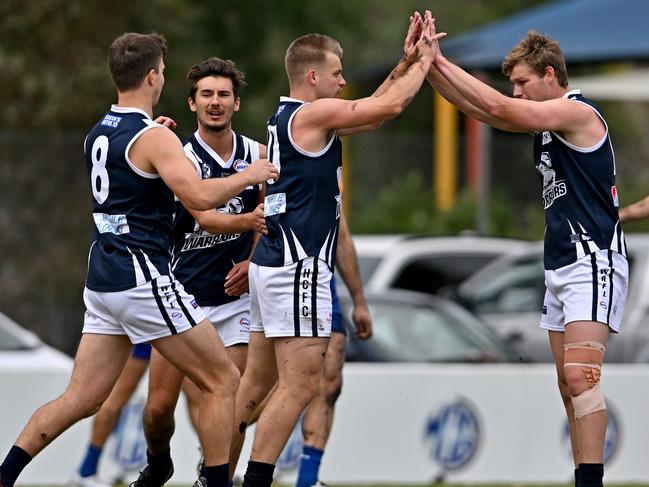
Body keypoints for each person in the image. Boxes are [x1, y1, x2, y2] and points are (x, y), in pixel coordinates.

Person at [0, 32, 277, 487]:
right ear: (153, 76)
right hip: (141, 278)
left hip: (103, 280)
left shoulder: (100, 132)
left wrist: (159, 144)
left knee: (82, 398)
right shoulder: (152, 138)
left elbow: (137, 182)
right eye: (164, 72)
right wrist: (249, 175)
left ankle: (6, 475)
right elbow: (199, 195)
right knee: (224, 381)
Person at [233, 14, 439, 487]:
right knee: (302, 384)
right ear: (312, 77)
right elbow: (387, 109)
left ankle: (216, 475)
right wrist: (425, 62)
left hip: (272, 263)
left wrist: (403, 63)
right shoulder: (312, 115)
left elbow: (370, 106)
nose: (344, 80)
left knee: (255, 387)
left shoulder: (288, 117)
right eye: (337, 73)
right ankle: (255, 481)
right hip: (298, 265)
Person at [424, 13, 627, 487]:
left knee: (581, 378)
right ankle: (584, 475)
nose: (515, 91)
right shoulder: (545, 124)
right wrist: (427, 69)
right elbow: (482, 109)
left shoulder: (577, 113)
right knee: (566, 385)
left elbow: (497, 111)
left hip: (592, 259)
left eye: (521, 82)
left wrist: (440, 61)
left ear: (550, 76)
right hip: (559, 263)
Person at [138, 56, 267, 484]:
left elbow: (276, 217)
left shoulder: (259, 156)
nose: (215, 102)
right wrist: (249, 219)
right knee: (158, 410)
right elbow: (206, 214)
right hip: (180, 297)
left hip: (235, 301)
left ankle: (214, 478)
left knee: (234, 400)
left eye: (223, 95)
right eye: (206, 95)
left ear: (237, 104)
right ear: (192, 103)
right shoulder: (177, 155)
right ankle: (158, 463)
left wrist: (253, 261)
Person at [295, 213, 372, 487]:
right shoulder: (267, 169)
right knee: (262, 387)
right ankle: (216, 465)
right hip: (275, 279)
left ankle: (308, 479)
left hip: (320, 286)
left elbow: (340, 236)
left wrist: (359, 301)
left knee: (329, 383)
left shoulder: (331, 172)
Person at [71, 344, 152, 487]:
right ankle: (87, 469)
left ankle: (205, 467)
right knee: (114, 401)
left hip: (169, 333)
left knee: (195, 394)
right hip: (152, 336)